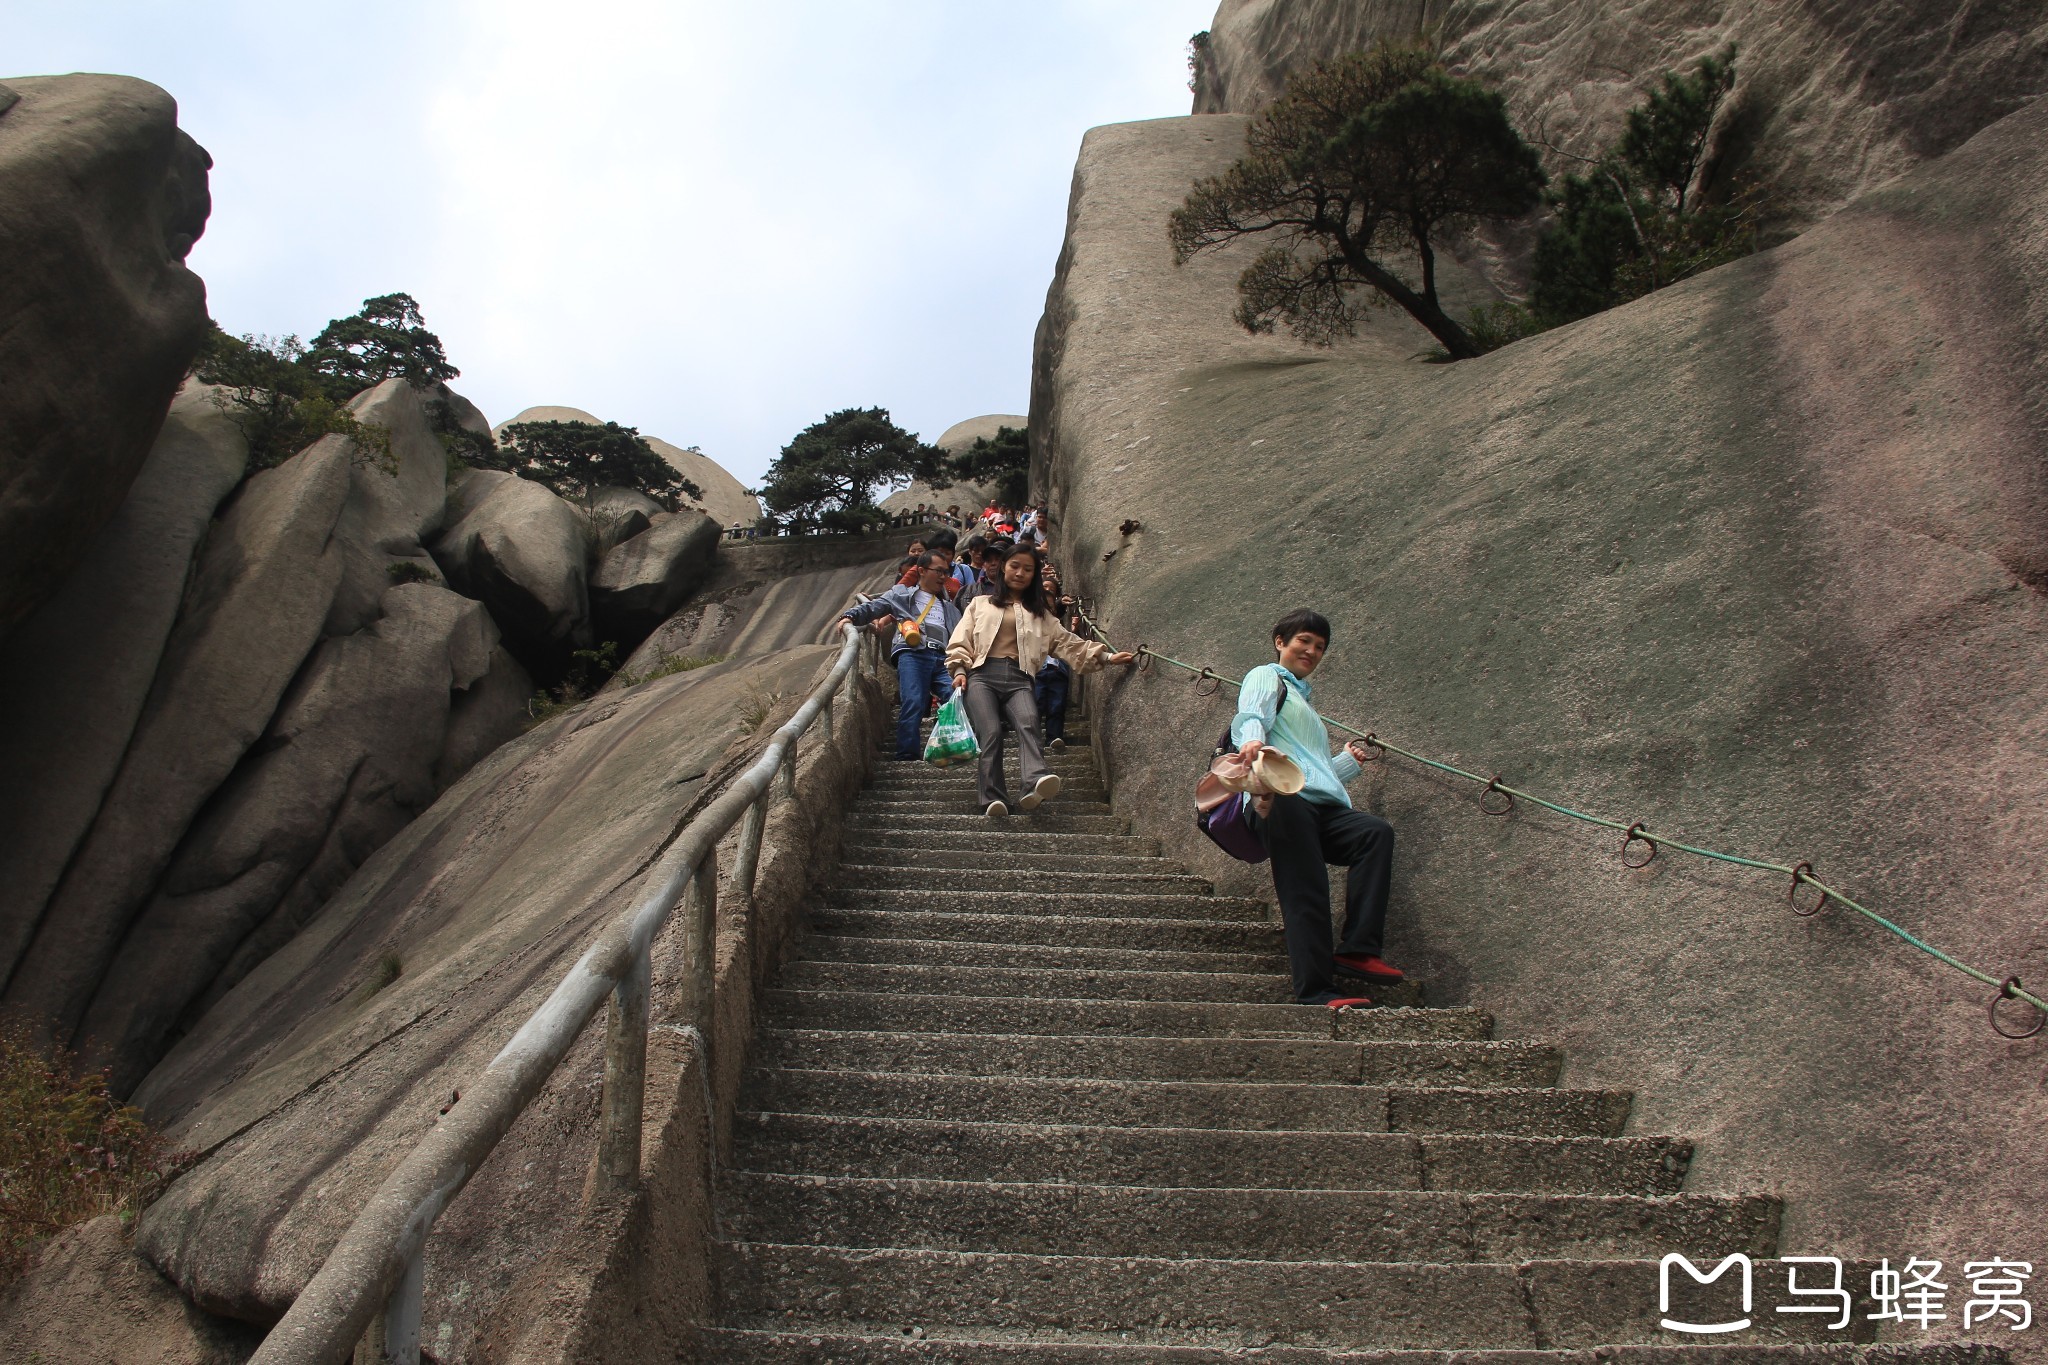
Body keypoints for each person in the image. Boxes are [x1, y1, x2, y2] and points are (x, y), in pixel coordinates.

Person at [1233, 609, 1403, 1009]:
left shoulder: (1305, 703)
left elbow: (1310, 768)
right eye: (1303, 641)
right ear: (1281, 642)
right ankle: (1316, 990)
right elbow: (1252, 713)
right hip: (1280, 800)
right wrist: (1252, 741)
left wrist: (1344, 763)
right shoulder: (1267, 676)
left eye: (1319, 647)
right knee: (1305, 886)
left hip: (1315, 804)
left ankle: (1358, 950)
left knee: (1374, 834)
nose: (1311, 651)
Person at [947, 543, 1135, 816]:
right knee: (991, 732)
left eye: (1028, 569)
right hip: (981, 676)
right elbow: (960, 640)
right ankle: (992, 798)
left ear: (1034, 575)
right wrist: (959, 670)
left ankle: (1033, 783)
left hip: (1020, 678)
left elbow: (1068, 643)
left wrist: (1106, 657)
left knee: (1030, 722)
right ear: (1003, 568)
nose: (1020, 573)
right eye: (1015, 566)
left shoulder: (1040, 615)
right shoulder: (979, 604)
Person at [839, 553, 963, 760]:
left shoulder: (950, 608)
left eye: (946, 572)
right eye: (938, 571)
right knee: (913, 701)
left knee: (956, 697)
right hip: (913, 653)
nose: (943, 576)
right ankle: (907, 755)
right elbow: (873, 608)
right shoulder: (902, 594)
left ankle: (952, 747)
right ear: (922, 570)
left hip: (943, 658)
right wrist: (849, 616)